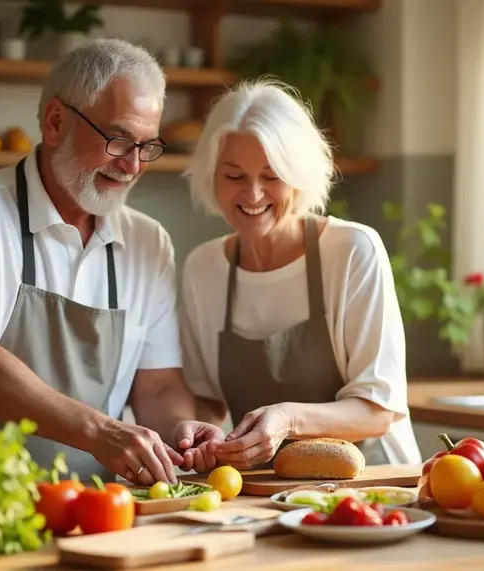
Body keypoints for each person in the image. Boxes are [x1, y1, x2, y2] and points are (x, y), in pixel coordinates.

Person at [0, 39, 224, 486]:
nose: (132, 165)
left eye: (148, 146)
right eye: (118, 139)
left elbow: (159, 384)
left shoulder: (149, 241)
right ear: (55, 122)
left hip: (96, 503)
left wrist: (179, 431)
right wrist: (100, 431)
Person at [178, 79, 423, 471]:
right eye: (235, 175)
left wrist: (288, 420)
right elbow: (207, 399)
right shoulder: (202, 269)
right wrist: (201, 438)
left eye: (272, 175)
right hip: (262, 489)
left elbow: (377, 413)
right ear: (212, 175)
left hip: (376, 483)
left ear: (299, 174)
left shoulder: (352, 250)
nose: (253, 194)